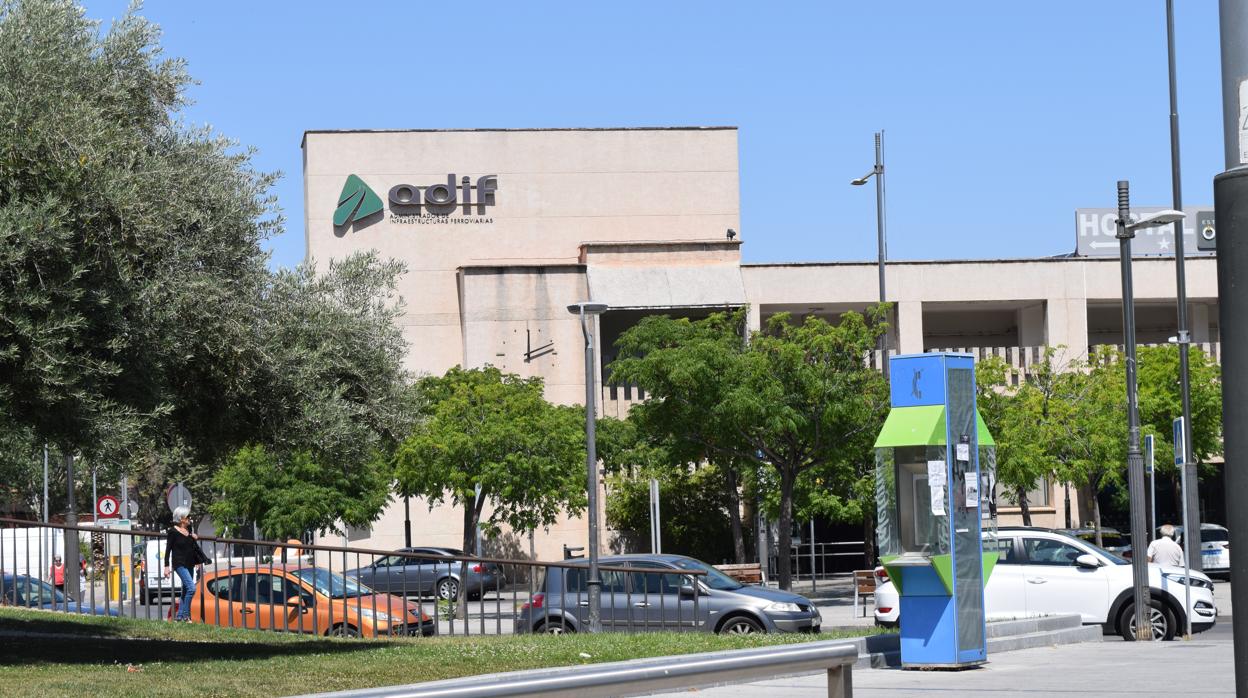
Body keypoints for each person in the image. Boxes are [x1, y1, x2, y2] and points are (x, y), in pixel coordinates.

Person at [163, 506, 201, 622]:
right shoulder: (173, 532)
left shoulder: (188, 530)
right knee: (191, 588)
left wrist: (197, 560)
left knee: (185, 591)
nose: (190, 518)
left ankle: (179, 617)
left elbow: (191, 547)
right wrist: (166, 566)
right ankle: (186, 615)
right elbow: (168, 549)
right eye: (188, 517)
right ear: (181, 519)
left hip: (190, 563)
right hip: (179, 564)